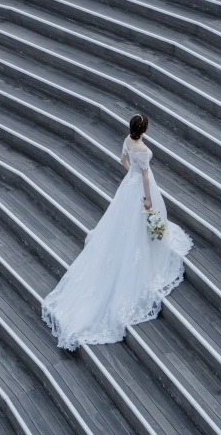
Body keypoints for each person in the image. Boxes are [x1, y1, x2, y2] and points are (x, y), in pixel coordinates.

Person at [42, 114, 192, 350]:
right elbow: (144, 175)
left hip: (128, 185)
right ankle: (152, 246)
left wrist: (129, 172)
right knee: (145, 221)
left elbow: (123, 159)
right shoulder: (142, 148)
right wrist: (149, 200)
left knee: (122, 224)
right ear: (144, 129)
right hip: (141, 187)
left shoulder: (128, 141)